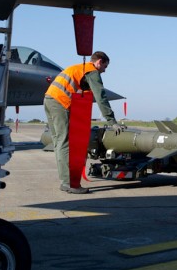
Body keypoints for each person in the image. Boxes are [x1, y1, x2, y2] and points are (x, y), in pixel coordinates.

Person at [44, 51, 123, 194]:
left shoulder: (78, 67)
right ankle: (70, 183)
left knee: (59, 142)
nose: (104, 71)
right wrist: (112, 121)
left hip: (49, 100)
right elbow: (101, 97)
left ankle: (65, 181)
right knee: (65, 142)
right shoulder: (92, 71)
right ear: (99, 62)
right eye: (104, 67)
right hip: (61, 102)